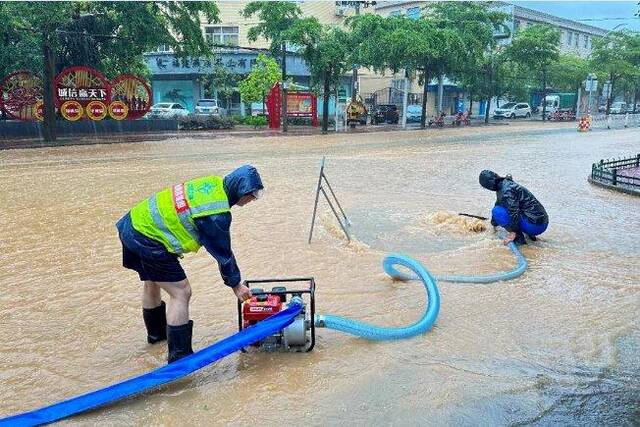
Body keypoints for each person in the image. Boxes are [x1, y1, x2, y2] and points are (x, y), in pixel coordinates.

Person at [116, 165, 263, 363]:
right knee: (181, 292)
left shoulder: (213, 184)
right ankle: (179, 358)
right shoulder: (217, 212)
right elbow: (222, 252)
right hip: (148, 238)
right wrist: (236, 285)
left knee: (152, 282)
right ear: (242, 191)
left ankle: (156, 338)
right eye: (252, 195)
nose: (252, 200)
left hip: (132, 224)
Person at [479, 170, 548, 245]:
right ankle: (530, 237)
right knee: (505, 209)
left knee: (497, 211)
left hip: (534, 226)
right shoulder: (506, 184)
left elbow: (513, 212)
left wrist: (513, 232)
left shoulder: (506, 191)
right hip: (543, 222)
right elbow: (498, 203)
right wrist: (493, 224)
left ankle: (519, 239)